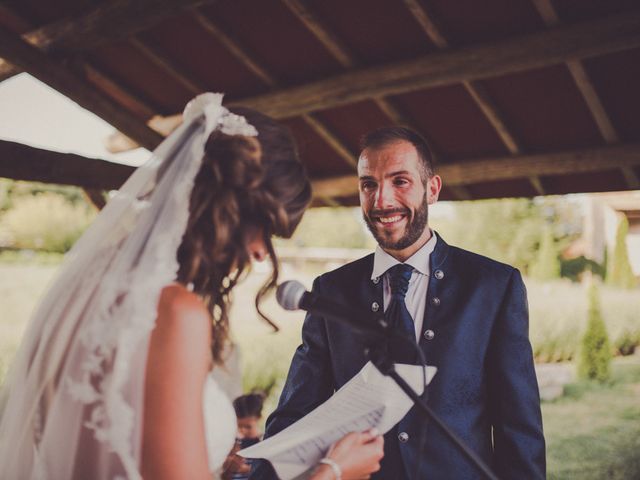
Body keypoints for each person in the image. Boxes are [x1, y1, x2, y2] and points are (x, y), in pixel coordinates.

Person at [0, 93, 383, 480]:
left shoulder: (90, 284)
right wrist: (333, 472)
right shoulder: (174, 312)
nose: (260, 254)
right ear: (229, 210)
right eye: (263, 229)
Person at [252, 126, 546, 479]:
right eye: (368, 185)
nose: (381, 201)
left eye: (400, 181)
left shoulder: (494, 286)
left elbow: (519, 427)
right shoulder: (330, 291)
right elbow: (296, 411)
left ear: (432, 189)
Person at [222, 392, 266, 479]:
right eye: (239, 426)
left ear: (259, 418)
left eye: (248, 426)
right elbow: (224, 476)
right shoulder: (231, 445)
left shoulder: (265, 444)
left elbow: (271, 473)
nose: (242, 430)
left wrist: (246, 469)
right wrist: (228, 467)